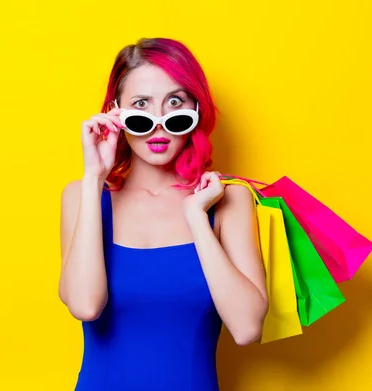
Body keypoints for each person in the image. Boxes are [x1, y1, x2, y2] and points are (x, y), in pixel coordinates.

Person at [58, 37, 268, 391]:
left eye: (175, 102)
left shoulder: (228, 200)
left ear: (195, 110)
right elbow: (84, 305)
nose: (158, 122)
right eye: (141, 104)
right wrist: (94, 177)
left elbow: (247, 328)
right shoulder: (81, 195)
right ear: (116, 112)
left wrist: (198, 220)